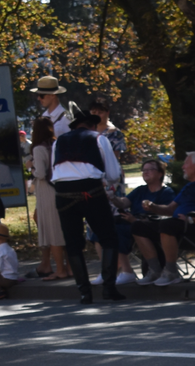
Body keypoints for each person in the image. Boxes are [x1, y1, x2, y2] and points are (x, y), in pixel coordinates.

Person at [51, 107, 124, 303]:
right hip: (90, 189)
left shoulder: (58, 142)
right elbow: (113, 174)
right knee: (108, 237)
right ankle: (109, 288)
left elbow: (54, 171)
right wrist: (108, 184)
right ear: (92, 125)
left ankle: (84, 292)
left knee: (73, 243)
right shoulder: (99, 139)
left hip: (63, 192)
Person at [132, 151, 195, 287]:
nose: (183, 167)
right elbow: (170, 209)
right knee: (138, 227)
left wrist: (191, 219)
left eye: (186, 163)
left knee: (167, 225)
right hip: (178, 226)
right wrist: (153, 206)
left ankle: (171, 272)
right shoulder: (188, 186)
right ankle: (155, 270)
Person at [27, 117, 70, 280]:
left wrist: (30, 167)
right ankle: (70, 267)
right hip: (60, 189)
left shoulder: (39, 148)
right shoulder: (57, 144)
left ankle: (60, 270)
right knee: (64, 230)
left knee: (54, 232)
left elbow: (40, 174)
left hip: (46, 192)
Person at [119, 158, 173, 283]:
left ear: (160, 173)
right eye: (144, 170)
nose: (145, 172)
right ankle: (123, 272)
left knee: (137, 226)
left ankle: (154, 270)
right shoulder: (140, 190)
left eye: (150, 169)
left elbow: (168, 213)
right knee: (108, 230)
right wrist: (112, 198)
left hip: (153, 228)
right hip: (132, 225)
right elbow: (123, 203)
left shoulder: (167, 192)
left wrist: (136, 219)